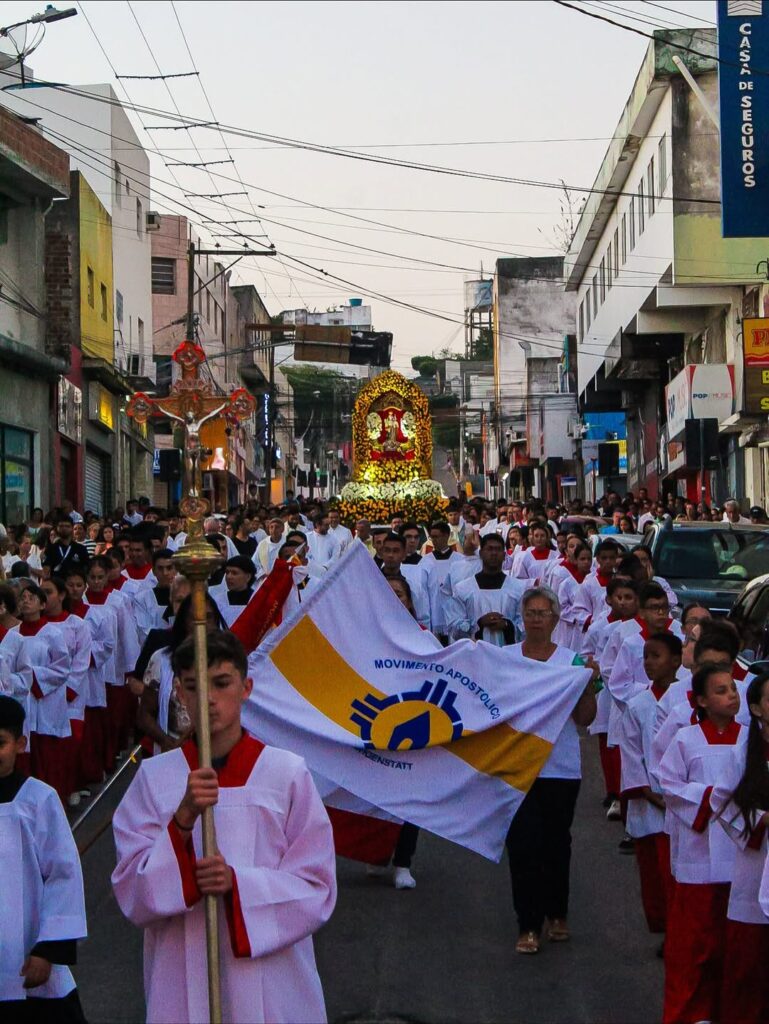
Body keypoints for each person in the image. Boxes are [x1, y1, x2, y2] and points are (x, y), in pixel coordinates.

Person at [112, 631, 337, 1023]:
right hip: (181, 968)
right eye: (195, 687)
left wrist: (239, 884)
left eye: (221, 683)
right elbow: (132, 888)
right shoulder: (154, 778)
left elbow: (317, 885)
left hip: (270, 977)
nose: (210, 699)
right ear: (179, 693)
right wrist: (182, 820)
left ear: (246, 687)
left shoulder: (285, 774)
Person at [504, 586, 597, 955]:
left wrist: (589, 684)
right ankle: (528, 924)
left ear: (556, 619)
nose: (537, 620)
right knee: (523, 845)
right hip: (516, 768)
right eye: (531, 613)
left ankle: (558, 912)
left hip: (560, 769)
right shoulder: (506, 659)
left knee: (556, 844)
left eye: (544, 613)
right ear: (522, 618)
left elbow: (585, 718)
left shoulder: (572, 663)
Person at [658, 663, 744, 1024]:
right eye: (721, 690)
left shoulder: (751, 738)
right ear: (703, 700)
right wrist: (713, 797)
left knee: (734, 947)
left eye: (734, 690)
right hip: (699, 852)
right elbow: (669, 783)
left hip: (742, 854)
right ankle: (691, 1014)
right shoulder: (686, 739)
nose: (731, 696)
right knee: (694, 945)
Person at [0, 695, 88, 1020]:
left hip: (29, 953)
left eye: (0, 743)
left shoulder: (38, 800)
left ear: (20, 744)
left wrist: (48, 950)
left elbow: (63, 874)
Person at [711, 672, 769, 1024]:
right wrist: (762, 821)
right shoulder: (742, 754)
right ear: (757, 709)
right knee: (749, 969)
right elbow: (723, 802)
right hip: (755, 867)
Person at [619, 633, 682, 937]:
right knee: (653, 874)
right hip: (650, 798)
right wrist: (647, 790)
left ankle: (679, 931)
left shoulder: (688, 700)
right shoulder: (637, 704)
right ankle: (665, 929)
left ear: (677, 661)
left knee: (676, 872)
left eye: (656, 656)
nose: (648, 662)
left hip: (681, 801)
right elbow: (630, 753)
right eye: (645, 656)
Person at [447, 533, 526, 646]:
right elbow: (454, 627)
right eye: (489, 549)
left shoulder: (518, 588)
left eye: (498, 549)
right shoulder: (463, 589)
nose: (494, 553)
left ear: (504, 555)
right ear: (481, 553)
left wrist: (506, 625)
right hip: (475, 656)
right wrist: (480, 624)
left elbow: (525, 625)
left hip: (508, 656)